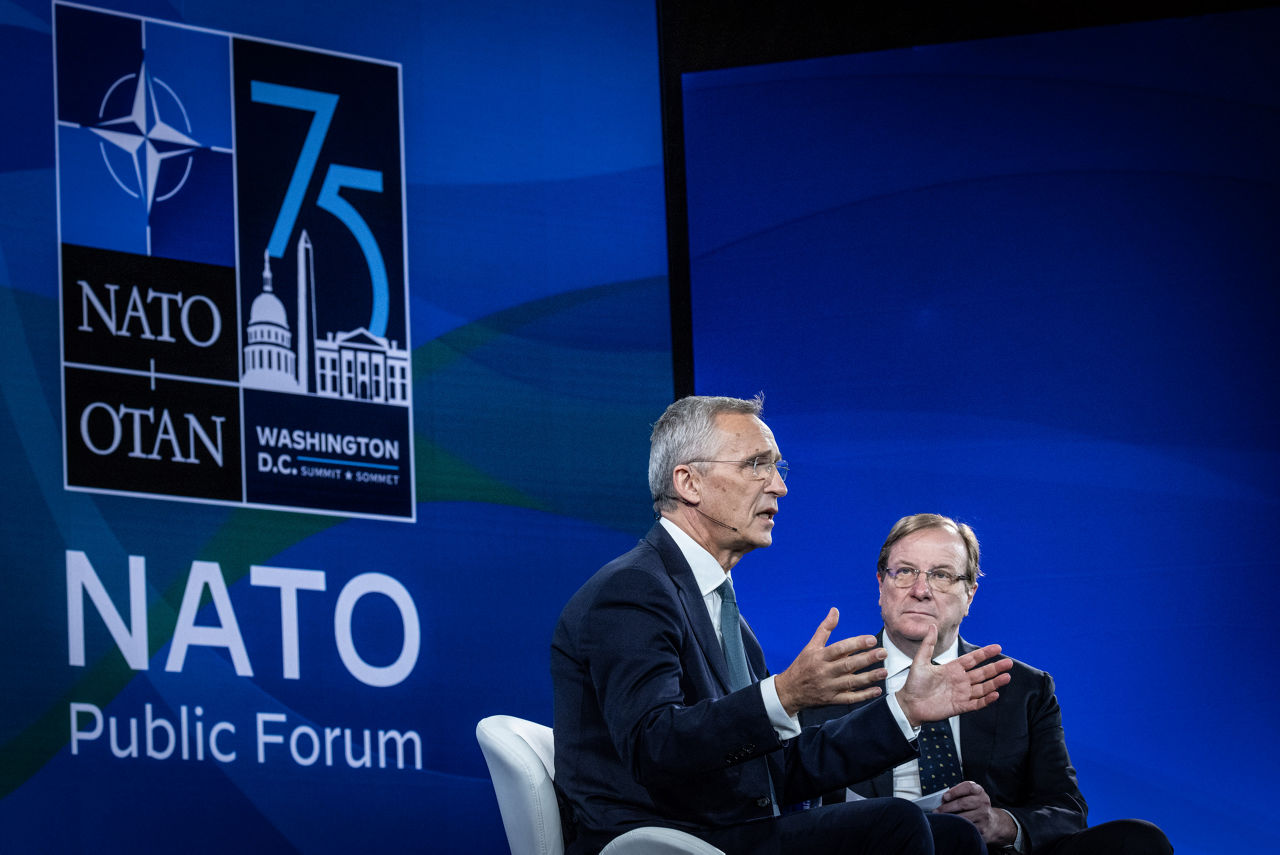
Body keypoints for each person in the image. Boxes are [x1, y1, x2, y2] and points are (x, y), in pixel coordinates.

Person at [550, 396, 1013, 854]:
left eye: (776, 467)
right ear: (689, 483)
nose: (778, 486)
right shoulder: (634, 588)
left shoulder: (721, 611)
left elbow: (776, 773)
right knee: (894, 822)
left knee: (952, 835)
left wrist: (904, 711)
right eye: (755, 464)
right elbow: (653, 745)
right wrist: (784, 693)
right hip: (666, 839)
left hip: (721, 826)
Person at [802, 513, 1173, 855]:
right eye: (904, 572)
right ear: (881, 585)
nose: (920, 589)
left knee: (1138, 841)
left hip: (990, 851)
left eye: (942, 575)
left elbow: (1065, 809)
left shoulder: (1024, 688)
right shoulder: (827, 681)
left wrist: (1000, 824)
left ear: (970, 595)